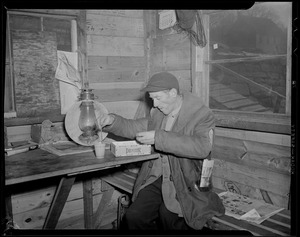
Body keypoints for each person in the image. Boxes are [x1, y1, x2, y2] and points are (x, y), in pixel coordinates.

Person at [98, 72, 225, 231]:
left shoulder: (201, 114)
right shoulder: (157, 113)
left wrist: (159, 137)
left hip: (187, 180)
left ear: (172, 93)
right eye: (152, 99)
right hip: (157, 177)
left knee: (170, 217)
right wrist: (112, 121)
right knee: (134, 217)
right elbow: (135, 128)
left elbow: (202, 147)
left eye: (158, 98)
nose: (155, 104)